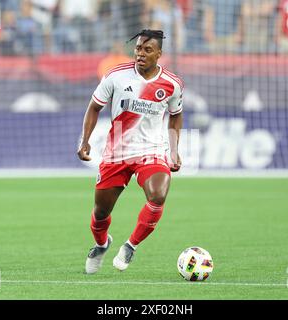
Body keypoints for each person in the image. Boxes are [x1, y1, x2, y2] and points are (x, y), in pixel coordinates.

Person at [77, 29, 184, 274]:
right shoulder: (116, 76)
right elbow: (94, 108)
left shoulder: (172, 84)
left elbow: (176, 116)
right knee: (101, 212)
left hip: (151, 150)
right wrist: (85, 141)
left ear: (159, 54)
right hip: (117, 152)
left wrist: (174, 150)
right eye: (137, 49)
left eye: (147, 50)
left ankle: (130, 246)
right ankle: (101, 244)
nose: (140, 54)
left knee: (158, 196)